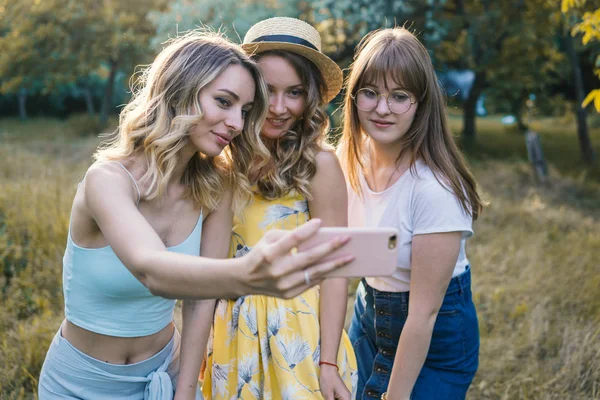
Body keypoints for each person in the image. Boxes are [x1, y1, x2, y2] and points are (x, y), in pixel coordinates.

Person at [37, 30, 354, 400]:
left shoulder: (215, 185)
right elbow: (150, 268)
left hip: (166, 370)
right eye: (224, 101)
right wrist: (248, 275)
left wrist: (185, 390)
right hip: (82, 381)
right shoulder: (106, 181)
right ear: (180, 92)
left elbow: (200, 299)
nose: (237, 122)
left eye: (246, 110)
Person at [200, 17, 357, 400]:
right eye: (268, 91)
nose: (280, 107)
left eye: (295, 93)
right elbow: (208, 268)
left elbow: (334, 272)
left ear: (311, 97)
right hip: (231, 330)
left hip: (296, 332)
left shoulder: (319, 164)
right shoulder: (222, 158)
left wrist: (328, 363)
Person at [338, 27, 485, 400]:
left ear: (421, 103)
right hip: (369, 313)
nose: (381, 108)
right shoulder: (346, 161)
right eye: (369, 93)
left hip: (435, 336)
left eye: (398, 96)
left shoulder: (434, 190)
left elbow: (424, 314)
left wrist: (395, 395)